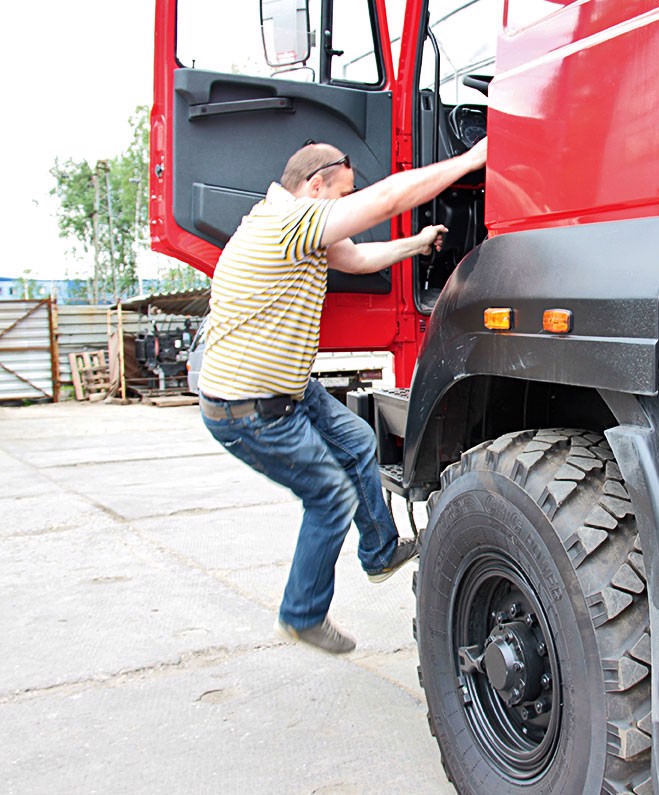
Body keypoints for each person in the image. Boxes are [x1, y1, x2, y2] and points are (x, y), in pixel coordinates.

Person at [198, 138, 488, 654]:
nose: (350, 205)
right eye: (344, 195)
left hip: (288, 389)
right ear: (315, 187)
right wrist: (469, 161)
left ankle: (379, 552)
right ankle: (302, 614)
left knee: (356, 439)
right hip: (248, 409)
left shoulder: (292, 225)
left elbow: (353, 258)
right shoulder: (286, 224)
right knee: (331, 497)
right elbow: (386, 200)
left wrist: (415, 244)